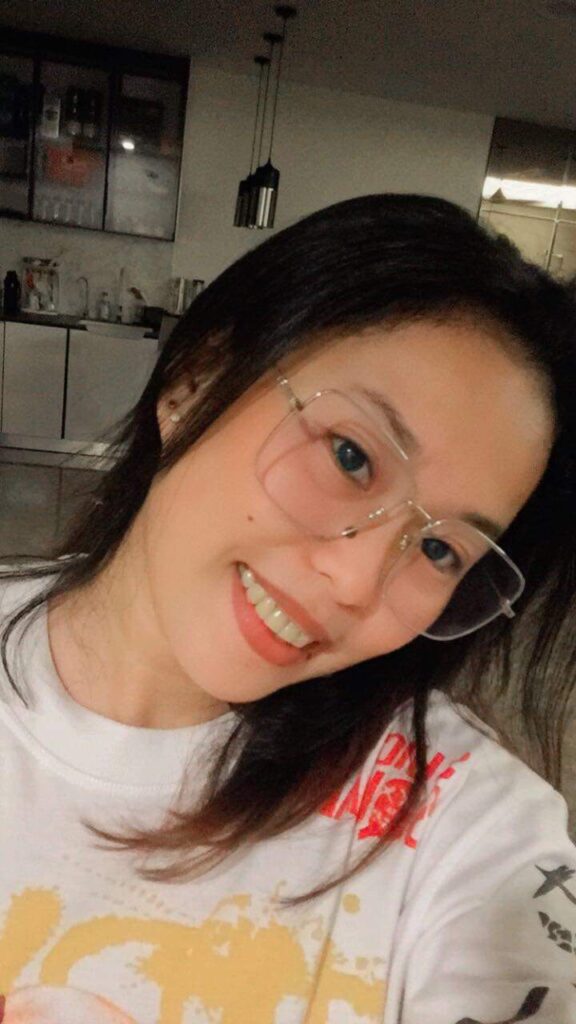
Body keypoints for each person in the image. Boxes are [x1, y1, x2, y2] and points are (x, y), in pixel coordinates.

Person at [0, 194, 575, 1024]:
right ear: (197, 378)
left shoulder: (467, 825)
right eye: (351, 456)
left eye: (441, 551)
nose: (358, 583)